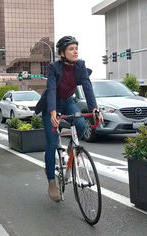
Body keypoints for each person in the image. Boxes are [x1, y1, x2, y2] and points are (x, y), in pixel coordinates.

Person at [35, 36, 103, 202]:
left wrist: (94, 108)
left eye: (76, 48)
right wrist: (52, 111)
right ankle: (51, 182)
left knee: (81, 125)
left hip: (67, 101)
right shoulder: (54, 67)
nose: (75, 51)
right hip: (50, 105)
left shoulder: (80, 66)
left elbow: (87, 86)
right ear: (62, 53)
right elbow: (51, 89)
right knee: (51, 144)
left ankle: (71, 151)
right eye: (71, 49)